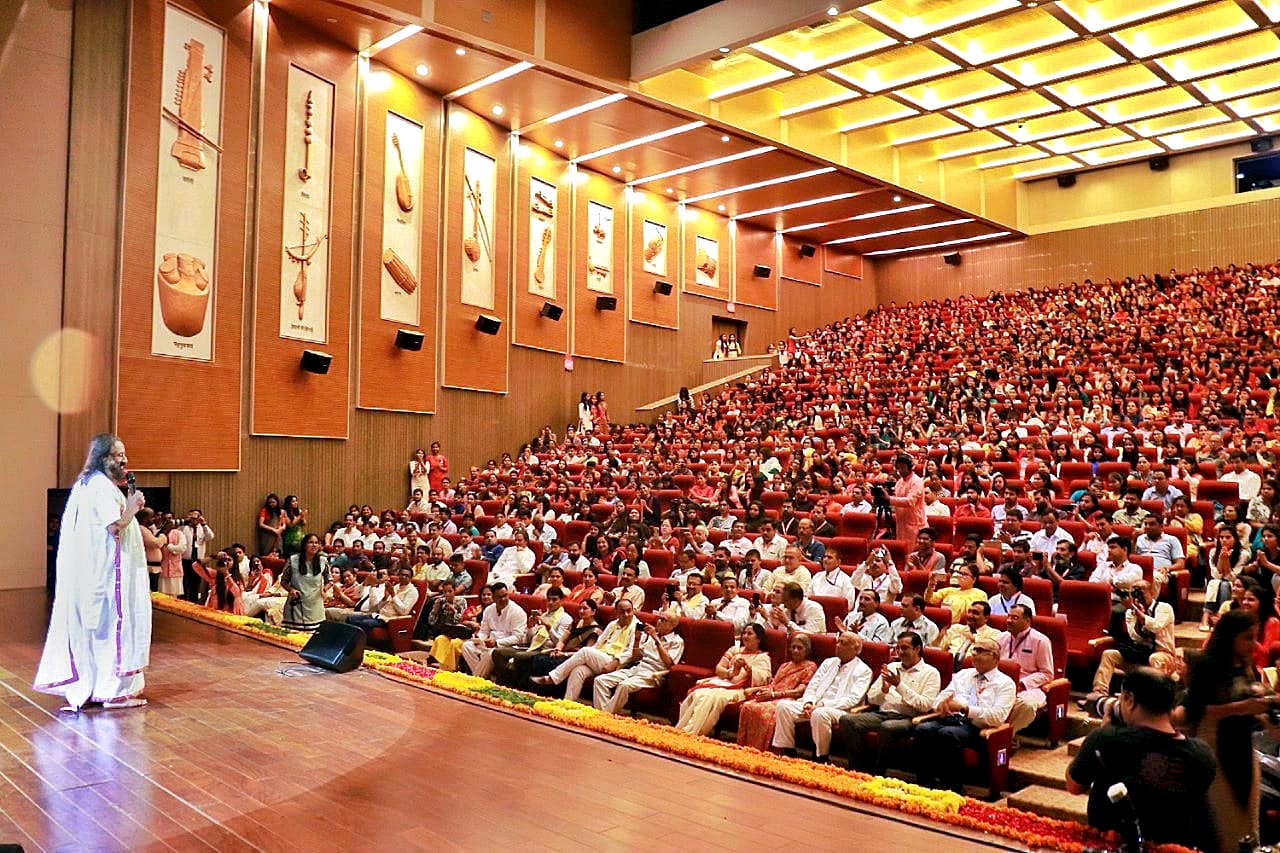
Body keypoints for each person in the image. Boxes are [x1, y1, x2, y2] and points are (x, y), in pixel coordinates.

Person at [35, 434, 151, 712]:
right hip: (107, 577)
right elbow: (114, 527)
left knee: (96, 632)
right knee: (110, 630)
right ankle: (112, 692)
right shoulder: (100, 487)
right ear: (104, 458)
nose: (125, 460)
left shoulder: (87, 485)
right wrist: (132, 507)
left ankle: (95, 688)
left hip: (94, 575)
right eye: (119, 455)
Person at [1067, 668, 1216, 851]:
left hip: (1113, 845)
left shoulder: (1105, 740)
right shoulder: (1201, 754)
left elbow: (1074, 785)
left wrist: (1104, 731)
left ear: (1130, 700)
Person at [1177, 610, 1277, 852]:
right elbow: (1196, 711)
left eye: (1255, 637)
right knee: (1223, 820)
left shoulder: (1245, 664)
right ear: (1230, 636)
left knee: (1247, 819)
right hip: (1213, 746)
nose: (1254, 644)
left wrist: (1263, 710)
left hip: (1242, 747)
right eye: (1248, 638)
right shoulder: (1207, 666)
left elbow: (1249, 703)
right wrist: (1242, 707)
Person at [913, 636, 1016, 792]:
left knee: (947, 734)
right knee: (923, 729)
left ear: (995, 657)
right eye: (974, 649)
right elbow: (940, 698)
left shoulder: (1005, 683)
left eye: (980, 650)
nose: (974, 654)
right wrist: (941, 705)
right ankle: (924, 785)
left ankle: (952, 789)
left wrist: (965, 709)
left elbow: (998, 717)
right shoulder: (963, 674)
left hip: (977, 728)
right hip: (951, 719)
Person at [839, 631, 941, 774]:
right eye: (897, 648)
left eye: (904, 648)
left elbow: (925, 705)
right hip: (882, 714)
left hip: (909, 718)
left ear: (917, 649)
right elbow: (871, 698)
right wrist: (884, 690)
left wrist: (899, 685)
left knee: (887, 727)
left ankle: (879, 772)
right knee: (847, 720)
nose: (900, 652)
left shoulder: (931, 673)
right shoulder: (891, 667)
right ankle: (857, 769)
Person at [771, 631, 872, 762]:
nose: (838, 645)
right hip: (815, 704)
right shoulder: (828, 662)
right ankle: (787, 751)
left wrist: (821, 705)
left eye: (843, 643)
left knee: (819, 714)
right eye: (838, 641)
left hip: (842, 710)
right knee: (783, 706)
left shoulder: (864, 670)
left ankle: (821, 757)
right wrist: (809, 702)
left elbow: (852, 699)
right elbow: (812, 686)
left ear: (856, 649)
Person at [532, 599, 641, 702]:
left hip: (616, 662)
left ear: (633, 610)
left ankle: (553, 678)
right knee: (578, 670)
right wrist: (591, 656)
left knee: (586, 651)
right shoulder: (613, 624)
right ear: (616, 612)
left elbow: (631, 652)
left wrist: (615, 662)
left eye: (629, 611)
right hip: (601, 657)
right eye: (622, 612)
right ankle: (567, 704)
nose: (626, 615)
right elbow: (598, 644)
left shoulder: (637, 627)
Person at [674, 624, 773, 736]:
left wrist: (747, 667)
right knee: (698, 693)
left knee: (715, 697)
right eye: (744, 633)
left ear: (759, 639)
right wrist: (731, 673)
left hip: (740, 689)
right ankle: (682, 728)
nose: (745, 636)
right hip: (722, 682)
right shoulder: (735, 650)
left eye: (749, 634)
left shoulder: (763, 658)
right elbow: (719, 669)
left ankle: (692, 733)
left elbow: (764, 679)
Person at [593, 609, 684, 714]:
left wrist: (656, 639)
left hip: (654, 674)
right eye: (659, 618)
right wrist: (637, 640)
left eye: (663, 620)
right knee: (600, 680)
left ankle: (603, 715)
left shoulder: (677, 641)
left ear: (672, 625)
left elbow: (669, 663)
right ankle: (604, 713)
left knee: (624, 685)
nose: (659, 621)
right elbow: (636, 657)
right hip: (638, 668)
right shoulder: (650, 635)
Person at [490, 587, 571, 686]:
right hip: (531, 646)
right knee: (498, 652)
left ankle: (512, 686)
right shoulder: (544, 615)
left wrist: (548, 627)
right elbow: (528, 639)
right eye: (548, 599)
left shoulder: (565, 619)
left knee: (520, 657)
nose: (550, 602)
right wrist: (530, 626)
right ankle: (504, 683)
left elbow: (559, 643)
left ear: (561, 601)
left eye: (554, 600)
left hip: (546, 650)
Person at [998, 604, 1054, 736]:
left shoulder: (1040, 640)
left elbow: (1047, 674)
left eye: (1014, 618)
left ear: (1027, 621)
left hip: (1028, 688)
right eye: (1008, 616)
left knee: (1027, 705)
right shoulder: (1001, 637)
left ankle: (1005, 736)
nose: (1009, 620)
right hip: (1001, 684)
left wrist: (1023, 684)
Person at [459, 582, 527, 678]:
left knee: (491, 653)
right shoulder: (489, 610)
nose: (503, 599)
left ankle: (477, 678)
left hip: (507, 646)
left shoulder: (517, 612)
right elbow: (484, 631)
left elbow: (518, 638)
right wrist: (478, 639)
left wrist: (496, 642)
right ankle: (485, 678)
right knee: (467, 646)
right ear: (493, 598)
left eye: (505, 595)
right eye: (499, 597)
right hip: (489, 643)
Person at [346, 566, 419, 634]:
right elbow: (378, 608)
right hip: (378, 615)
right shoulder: (396, 587)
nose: (403, 577)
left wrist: (393, 595)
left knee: (364, 623)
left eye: (406, 576)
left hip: (390, 620)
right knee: (350, 619)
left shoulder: (412, 591)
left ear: (411, 578)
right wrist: (385, 598)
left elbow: (404, 612)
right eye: (401, 575)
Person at [280, 533, 327, 632]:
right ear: (304, 545)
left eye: (316, 543)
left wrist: (323, 589)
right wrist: (291, 590)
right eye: (311, 542)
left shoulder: (323, 561)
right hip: (297, 605)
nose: (314, 545)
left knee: (314, 637)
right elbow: (284, 581)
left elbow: (329, 580)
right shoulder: (293, 560)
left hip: (315, 606)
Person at [887, 455, 925, 543]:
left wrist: (889, 499)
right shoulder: (899, 482)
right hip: (900, 523)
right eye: (898, 468)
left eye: (903, 468)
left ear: (910, 468)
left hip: (914, 523)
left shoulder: (916, 481)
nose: (900, 471)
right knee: (901, 548)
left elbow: (910, 501)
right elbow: (895, 499)